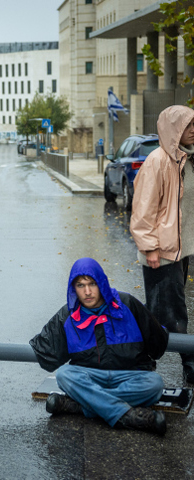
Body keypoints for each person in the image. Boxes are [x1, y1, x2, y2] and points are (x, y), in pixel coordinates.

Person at [30, 258, 169, 435]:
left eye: (92, 284)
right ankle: (127, 416)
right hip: (90, 376)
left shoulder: (127, 304)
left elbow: (157, 345)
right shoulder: (68, 315)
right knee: (64, 375)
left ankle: (81, 406)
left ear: (101, 282)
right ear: (73, 288)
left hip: (130, 376)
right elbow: (47, 354)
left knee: (154, 384)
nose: (87, 292)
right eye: (80, 285)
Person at [131, 105, 194, 383]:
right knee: (171, 313)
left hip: (180, 250)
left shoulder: (187, 160)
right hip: (161, 251)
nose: (193, 130)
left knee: (160, 311)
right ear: (174, 130)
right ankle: (190, 364)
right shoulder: (157, 161)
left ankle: (140, 359)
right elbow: (143, 209)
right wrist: (149, 248)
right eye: (188, 125)